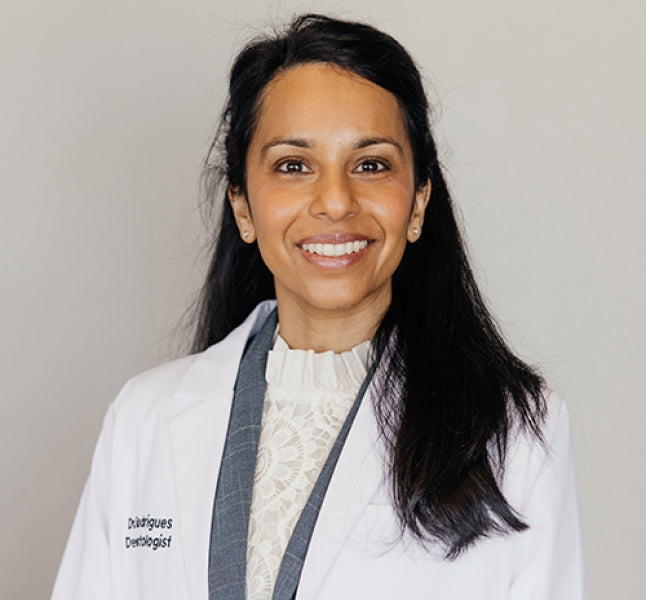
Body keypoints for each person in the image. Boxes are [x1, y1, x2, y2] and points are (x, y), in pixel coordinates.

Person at [51, 14, 584, 600]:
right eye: (293, 166)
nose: (335, 201)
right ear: (244, 207)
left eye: (372, 164)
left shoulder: (516, 431)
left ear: (418, 202)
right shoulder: (144, 418)